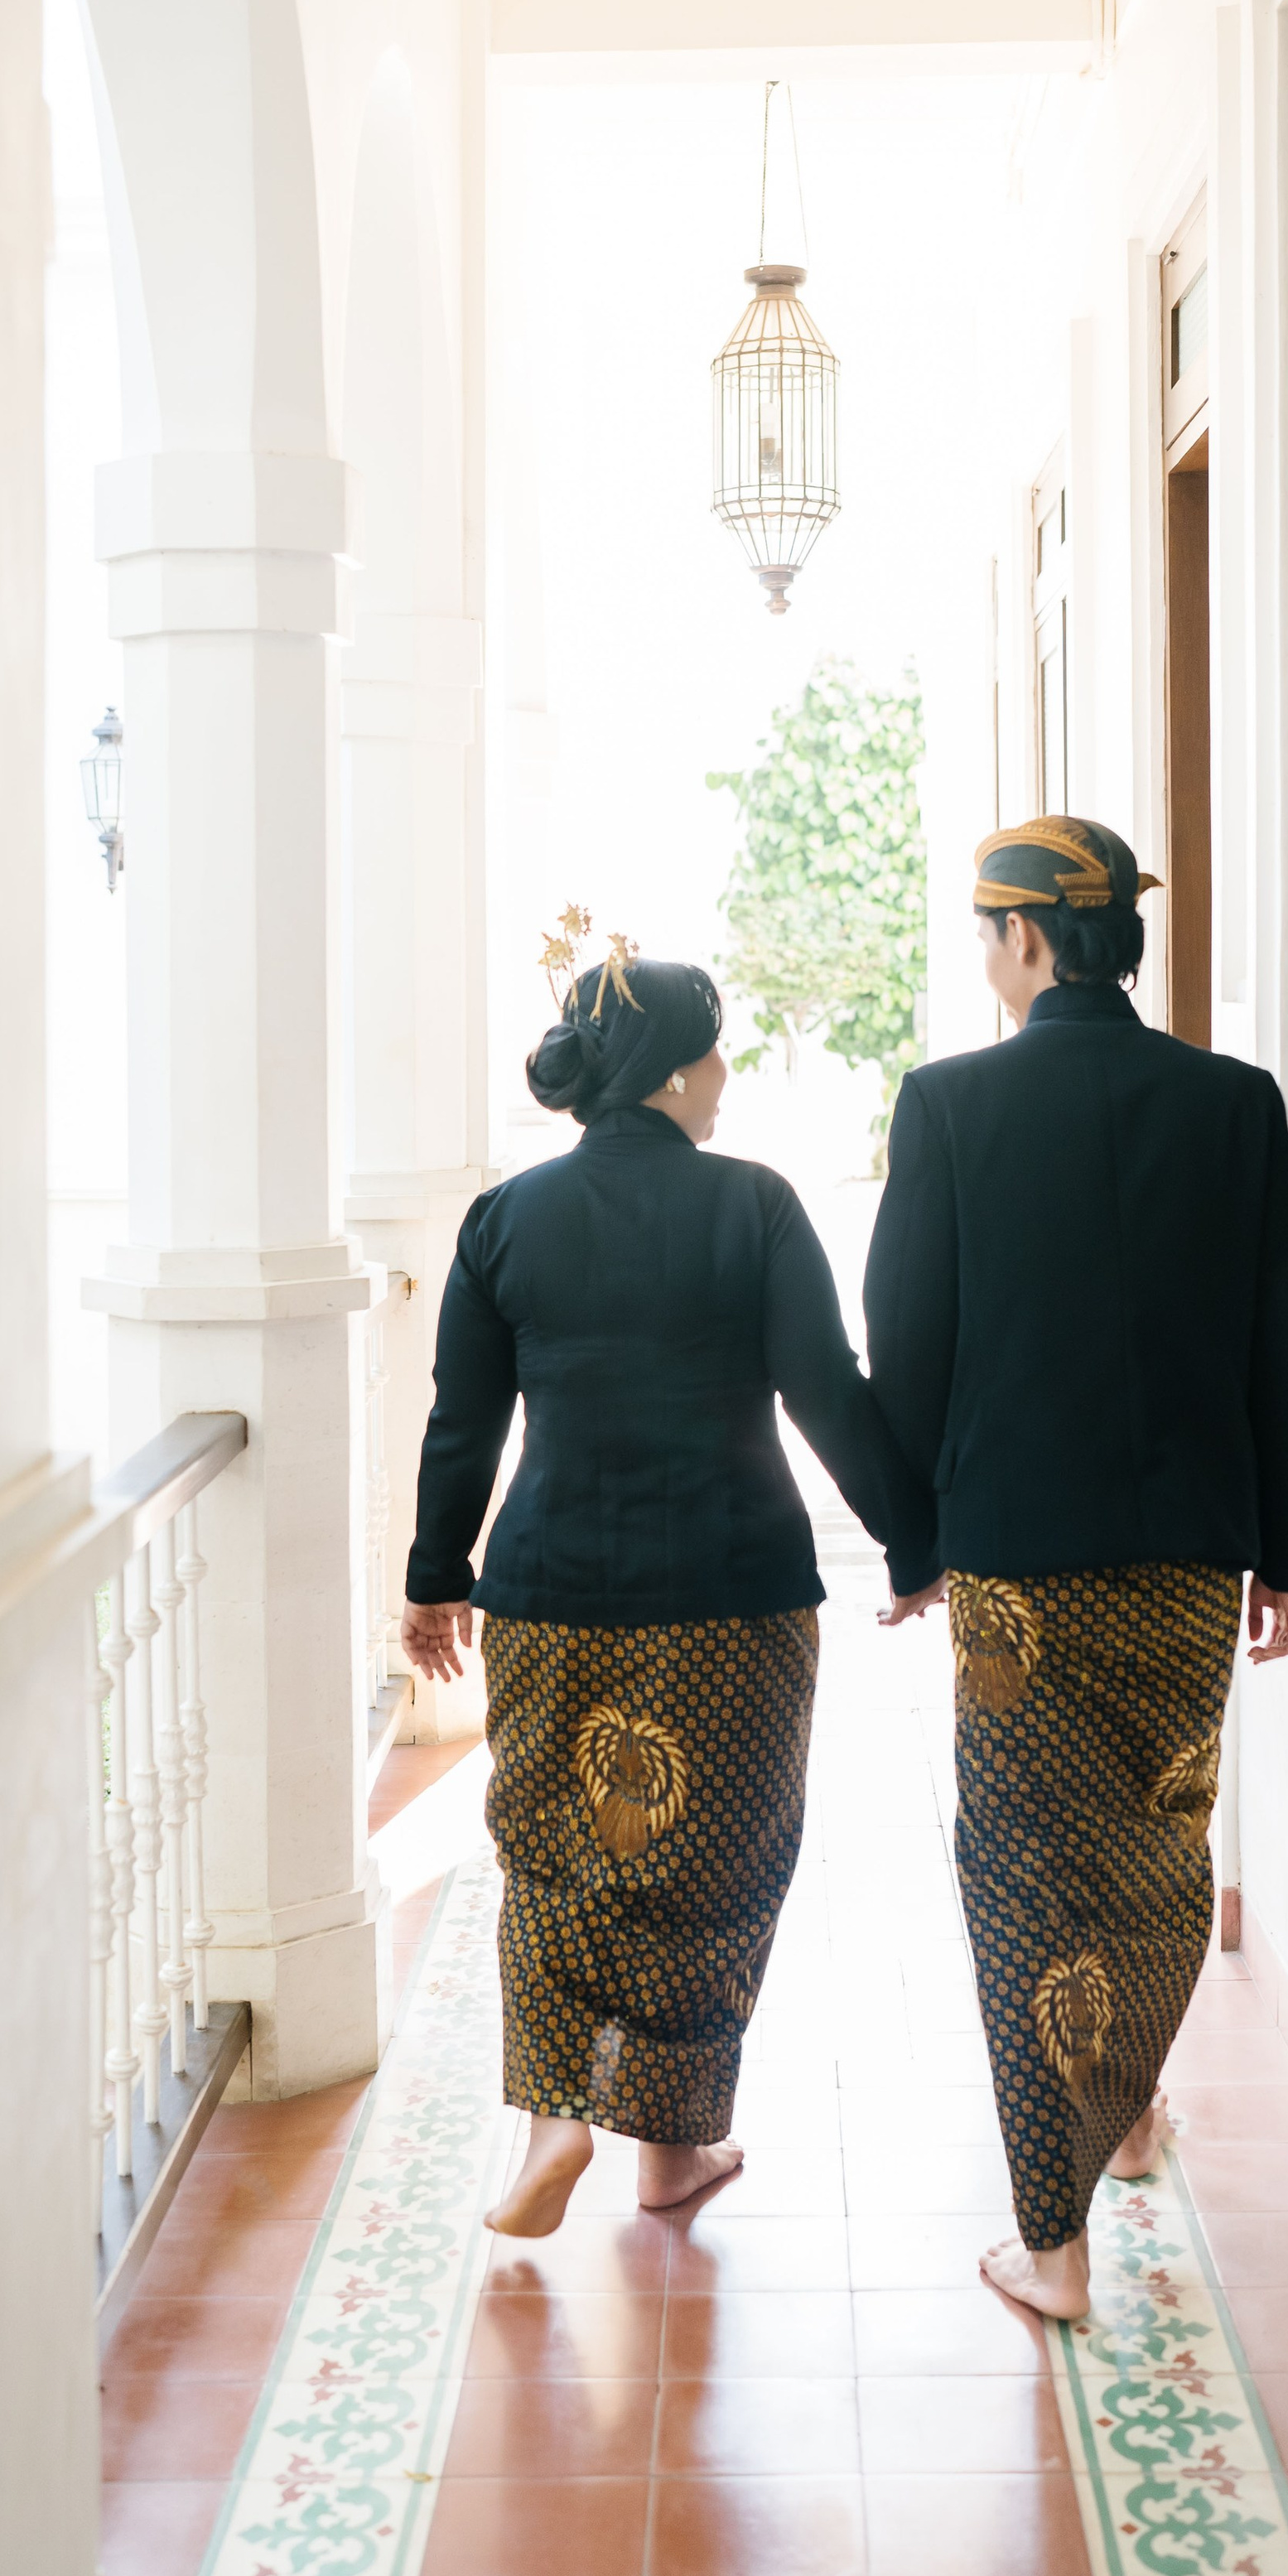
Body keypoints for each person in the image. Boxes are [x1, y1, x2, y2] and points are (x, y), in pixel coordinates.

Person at [403, 934, 938, 2238]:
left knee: (549, 1853)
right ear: (675, 1072)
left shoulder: (506, 1219)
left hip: (549, 1592)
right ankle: (671, 2145)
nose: (726, 1077)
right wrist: (915, 1543)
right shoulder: (755, 1207)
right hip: (732, 1594)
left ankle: (555, 2119)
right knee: (719, 1863)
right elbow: (826, 1393)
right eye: (715, 1055)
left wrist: (435, 1577)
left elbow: (463, 1422)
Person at [862, 817, 1288, 2322]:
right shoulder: (1235, 1105)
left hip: (1017, 1569)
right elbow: (1280, 1350)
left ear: (1025, 938)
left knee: (1022, 1871)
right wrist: (1286, 1551)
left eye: (986, 933)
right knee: (1158, 1843)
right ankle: (1123, 2114)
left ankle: (1051, 2244)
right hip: (1190, 1555)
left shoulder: (949, 1106)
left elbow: (905, 1348)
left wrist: (915, 1541)